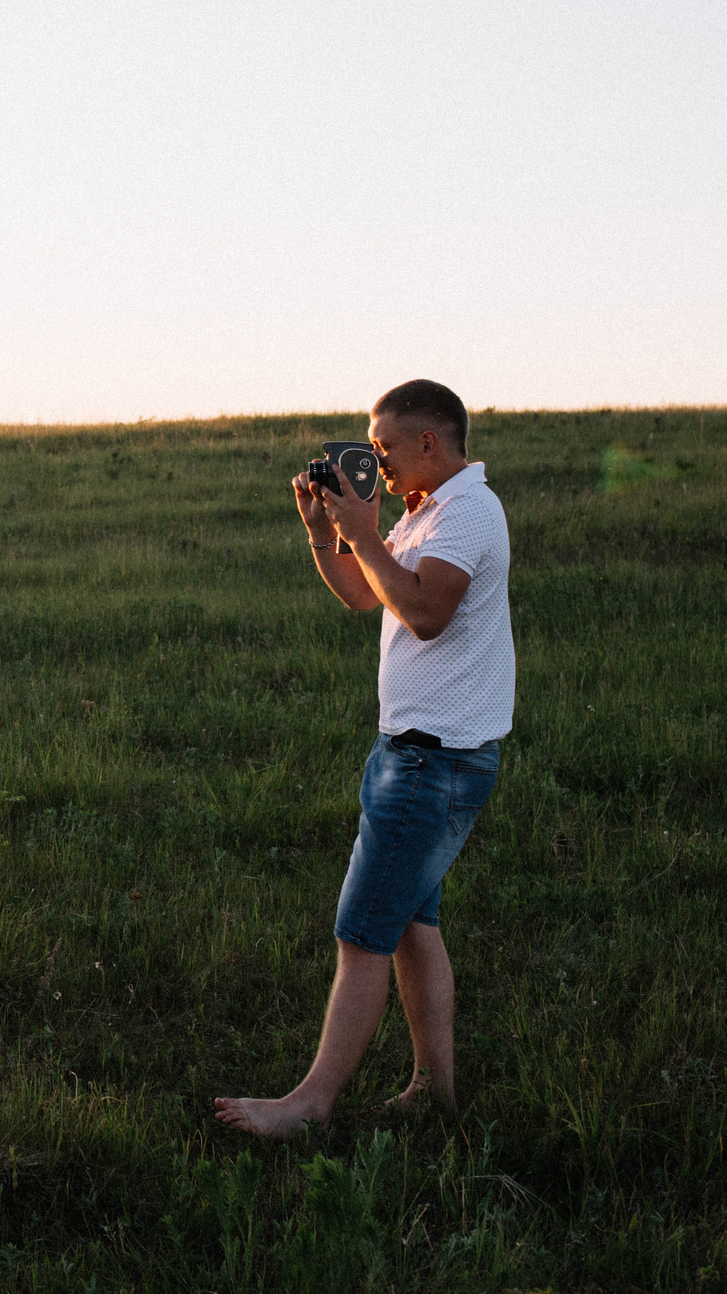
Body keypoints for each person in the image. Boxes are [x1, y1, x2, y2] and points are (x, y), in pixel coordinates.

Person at [215, 379, 514, 1139]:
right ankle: (434, 1091)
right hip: (412, 753)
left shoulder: (470, 512)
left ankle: (311, 1102)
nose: (373, 459)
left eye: (383, 446)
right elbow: (362, 594)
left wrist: (369, 531)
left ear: (429, 442)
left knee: (361, 935)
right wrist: (326, 531)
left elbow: (423, 611)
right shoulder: (422, 514)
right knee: (413, 925)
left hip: (433, 761)